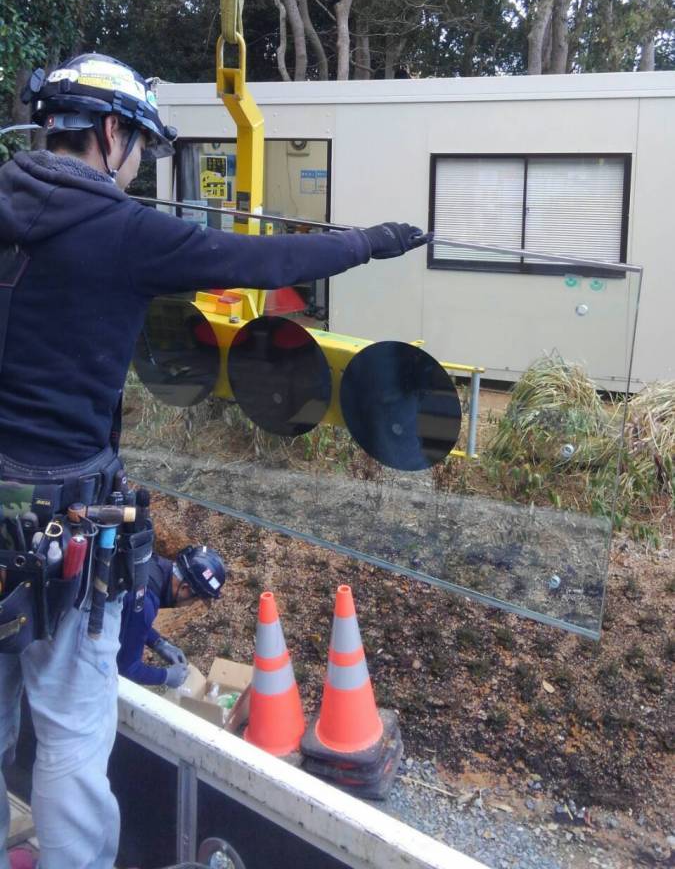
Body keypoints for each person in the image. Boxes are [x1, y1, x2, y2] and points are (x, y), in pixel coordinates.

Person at [0, 52, 430, 869]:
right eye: (139, 150)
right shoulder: (123, 233)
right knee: (70, 738)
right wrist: (369, 242)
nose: (136, 170)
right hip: (62, 530)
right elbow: (257, 262)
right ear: (114, 133)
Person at [118, 545, 227, 689]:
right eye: (194, 600)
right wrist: (166, 676)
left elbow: (129, 620)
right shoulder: (144, 602)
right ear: (185, 589)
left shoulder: (152, 564)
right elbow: (127, 668)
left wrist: (158, 642)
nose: (189, 605)